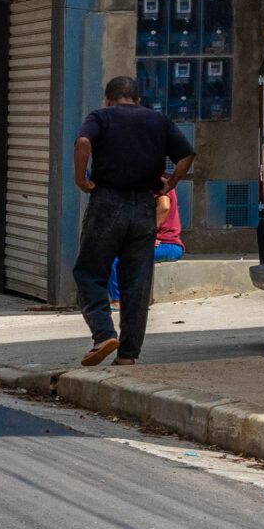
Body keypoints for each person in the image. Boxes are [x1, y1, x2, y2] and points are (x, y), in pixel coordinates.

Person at [71, 76, 195, 367]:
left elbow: (83, 141)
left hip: (107, 202)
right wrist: (170, 185)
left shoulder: (101, 116)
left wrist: (81, 179)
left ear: (108, 99)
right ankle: (127, 355)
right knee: (137, 282)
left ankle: (103, 335)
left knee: (89, 272)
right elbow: (186, 155)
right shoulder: (159, 120)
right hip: (144, 206)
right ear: (138, 100)